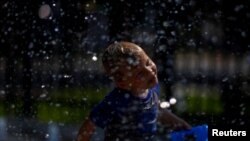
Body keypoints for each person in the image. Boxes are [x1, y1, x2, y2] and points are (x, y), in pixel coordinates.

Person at [77, 41, 191, 141]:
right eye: (140, 73)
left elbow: (157, 110)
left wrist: (180, 124)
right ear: (122, 83)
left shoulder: (151, 89)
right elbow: (89, 124)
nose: (150, 72)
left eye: (147, 63)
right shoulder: (116, 101)